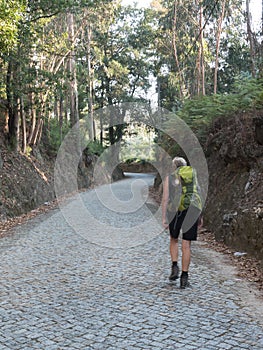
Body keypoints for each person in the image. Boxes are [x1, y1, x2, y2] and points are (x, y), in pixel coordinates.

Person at [162, 157, 202, 288]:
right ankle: (184, 278)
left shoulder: (170, 177)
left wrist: (164, 218)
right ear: (185, 166)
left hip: (175, 210)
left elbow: (165, 198)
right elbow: (198, 194)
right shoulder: (193, 174)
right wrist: (200, 215)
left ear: (174, 166)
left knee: (174, 239)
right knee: (186, 245)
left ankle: (174, 266)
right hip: (193, 209)